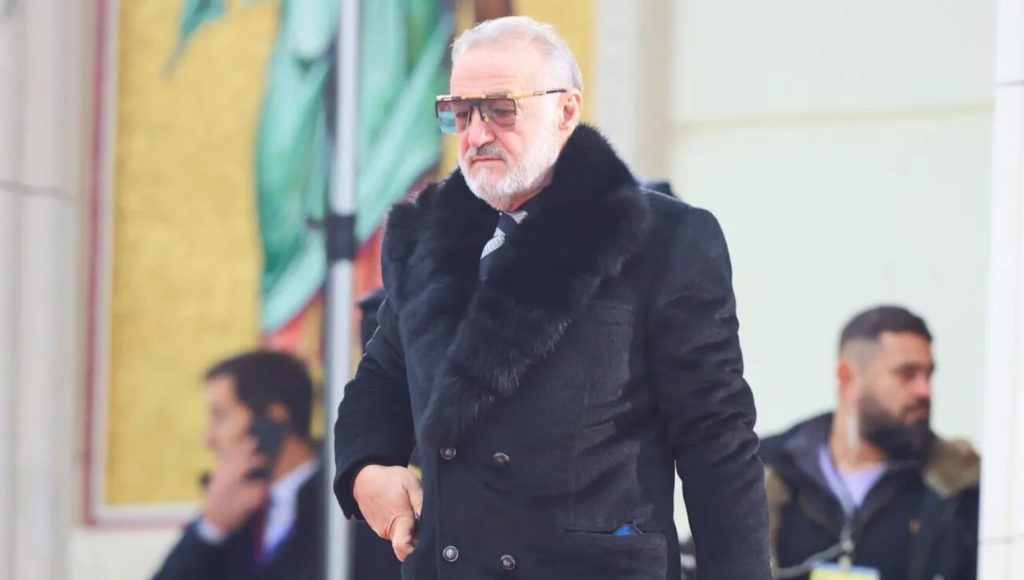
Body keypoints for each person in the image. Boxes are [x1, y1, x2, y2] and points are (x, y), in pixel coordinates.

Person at [333, 16, 771, 579]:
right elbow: (381, 380)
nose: (476, 134)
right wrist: (366, 468)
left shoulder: (663, 238)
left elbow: (716, 437)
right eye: (460, 112)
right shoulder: (428, 238)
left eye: (500, 109)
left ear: (566, 111)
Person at [760, 306, 980, 579]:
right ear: (848, 377)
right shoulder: (765, 477)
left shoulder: (958, 492)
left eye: (928, 375)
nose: (924, 391)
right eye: (907, 373)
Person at [153, 351, 323, 580]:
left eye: (220, 416)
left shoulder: (344, 502)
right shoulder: (236, 509)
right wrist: (212, 527)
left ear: (273, 419)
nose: (209, 439)